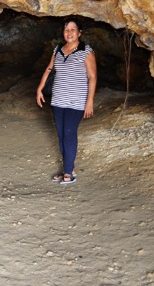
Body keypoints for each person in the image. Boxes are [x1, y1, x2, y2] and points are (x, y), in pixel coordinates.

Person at [36, 17, 97, 185]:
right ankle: (68, 168)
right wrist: (40, 88)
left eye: (72, 29)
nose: (69, 33)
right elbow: (49, 69)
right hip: (58, 99)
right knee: (62, 135)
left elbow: (92, 77)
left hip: (76, 100)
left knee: (69, 133)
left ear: (79, 33)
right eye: (66, 30)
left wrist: (89, 101)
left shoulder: (86, 51)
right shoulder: (58, 50)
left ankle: (68, 173)